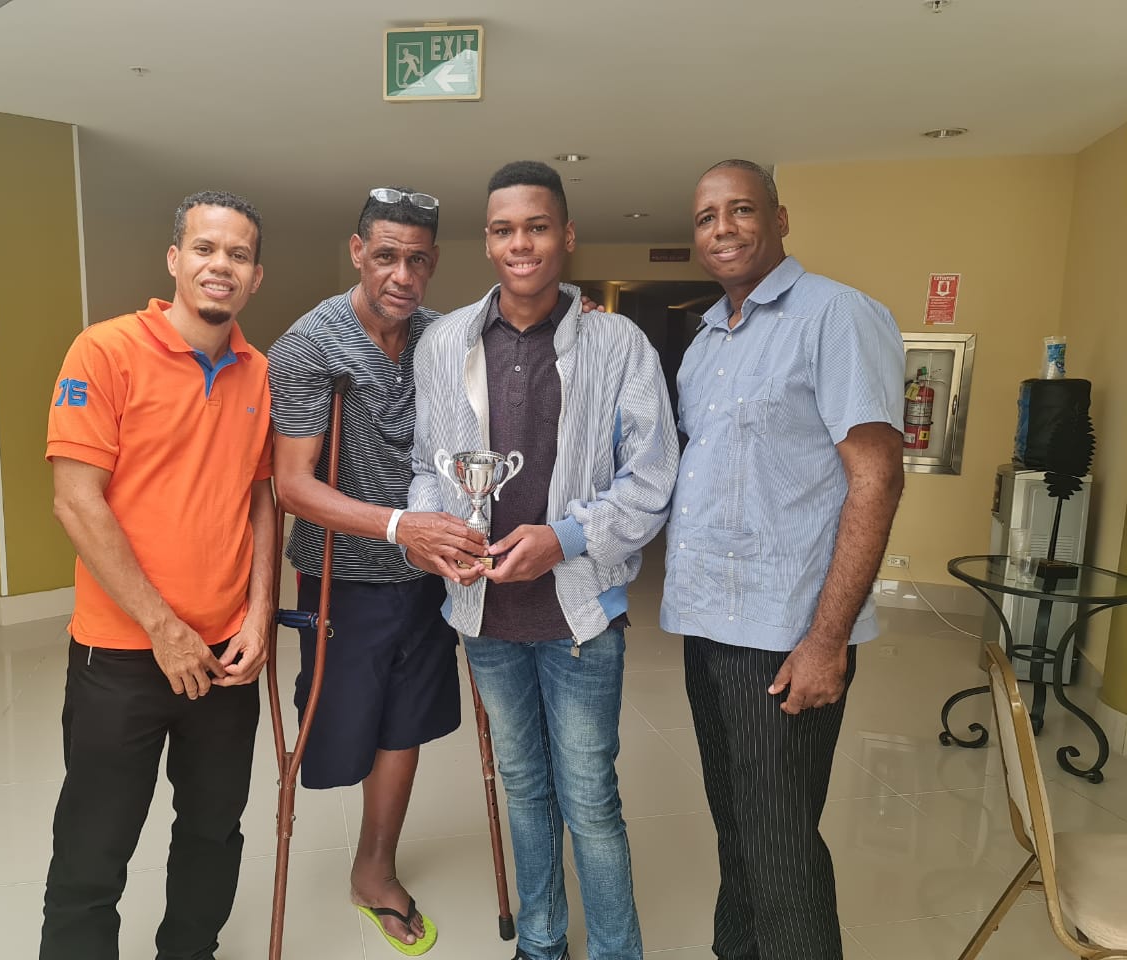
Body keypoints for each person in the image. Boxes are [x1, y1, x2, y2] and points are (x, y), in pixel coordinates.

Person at [408, 160, 679, 960]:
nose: (519, 243)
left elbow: (652, 476)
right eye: (503, 230)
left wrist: (564, 538)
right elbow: (427, 463)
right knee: (524, 787)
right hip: (485, 613)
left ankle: (616, 951)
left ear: (566, 235)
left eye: (536, 227)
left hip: (580, 614)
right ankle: (541, 943)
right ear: (488, 241)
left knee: (589, 798)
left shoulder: (618, 343)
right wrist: (436, 530)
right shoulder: (446, 343)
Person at [662, 159, 905, 960]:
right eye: (706, 217)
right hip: (709, 624)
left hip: (786, 636)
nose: (723, 228)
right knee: (737, 831)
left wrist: (827, 642)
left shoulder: (836, 315)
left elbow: (876, 479)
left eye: (741, 209)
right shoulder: (704, 343)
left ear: (780, 217)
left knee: (780, 847)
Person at [40, 191, 274, 960]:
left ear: (255, 277)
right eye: (205, 248)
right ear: (175, 260)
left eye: (238, 254)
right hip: (120, 657)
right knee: (92, 851)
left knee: (213, 833)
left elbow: (261, 498)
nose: (220, 265)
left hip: (226, 660)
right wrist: (164, 627)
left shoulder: (258, 373)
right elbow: (76, 501)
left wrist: (259, 614)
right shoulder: (104, 351)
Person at [266, 187, 486, 956]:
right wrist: (398, 528)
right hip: (343, 578)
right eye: (386, 255)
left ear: (434, 263)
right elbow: (291, 485)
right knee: (345, 730)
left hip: (426, 576)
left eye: (418, 260)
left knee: (407, 724)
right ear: (358, 251)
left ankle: (375, 868)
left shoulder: (441, 337)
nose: (402, 274)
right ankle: (364, 860)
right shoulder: (308, 346)